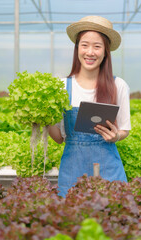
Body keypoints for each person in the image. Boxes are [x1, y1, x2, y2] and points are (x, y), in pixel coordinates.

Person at [48, 15, 131, 198]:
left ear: (106, 51)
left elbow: (124, 128)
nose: (90, 52)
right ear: (77, 48)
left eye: (97, 46)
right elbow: (59, 138)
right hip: (72, 169)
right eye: (84, 45)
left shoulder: (118, 86)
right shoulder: (62, 87)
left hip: (108, 168)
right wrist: (45, 121)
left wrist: (116, 136)